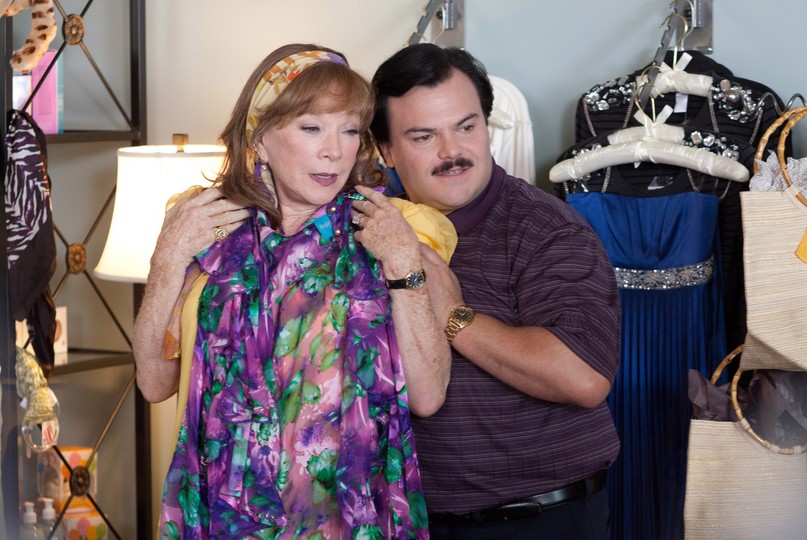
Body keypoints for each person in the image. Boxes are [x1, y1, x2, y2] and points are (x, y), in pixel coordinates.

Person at [132, 43, 452, 539]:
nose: (335, 150)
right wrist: (167, 259)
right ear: (259, 137)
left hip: (347, 515)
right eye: (311, 128)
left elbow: (428, 395)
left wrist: (404, 264)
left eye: (349, 130)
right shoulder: (206, 228)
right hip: (226, 512)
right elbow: (154, 382)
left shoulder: (395, 228)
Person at [370, 43, 622, 539]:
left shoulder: (545, 229)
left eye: (466, 127)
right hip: (407, 520)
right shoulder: (373, 230)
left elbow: (584, 376)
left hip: (536, 520)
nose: (452, 152)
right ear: (386, 151)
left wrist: (453, 316)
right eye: (424, 136)